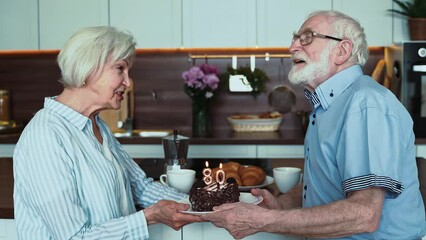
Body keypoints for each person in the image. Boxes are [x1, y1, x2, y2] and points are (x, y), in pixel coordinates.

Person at [202, 10, 426, 239]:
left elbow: (365, 213)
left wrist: (265, 221)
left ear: (342, 50)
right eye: (295, 38)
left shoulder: (366, 103)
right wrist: (282, 204)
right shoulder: (326, 106)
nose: (292, 47)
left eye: (307, 37)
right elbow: (324, 185)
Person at [13, 26, 202, 239]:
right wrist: (148, 217)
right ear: (88, 69)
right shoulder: (45, 136)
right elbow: (74, 237)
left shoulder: (96, 125)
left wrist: (201, 204)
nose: (128, 82)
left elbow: (139, 187)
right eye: (120, 69)